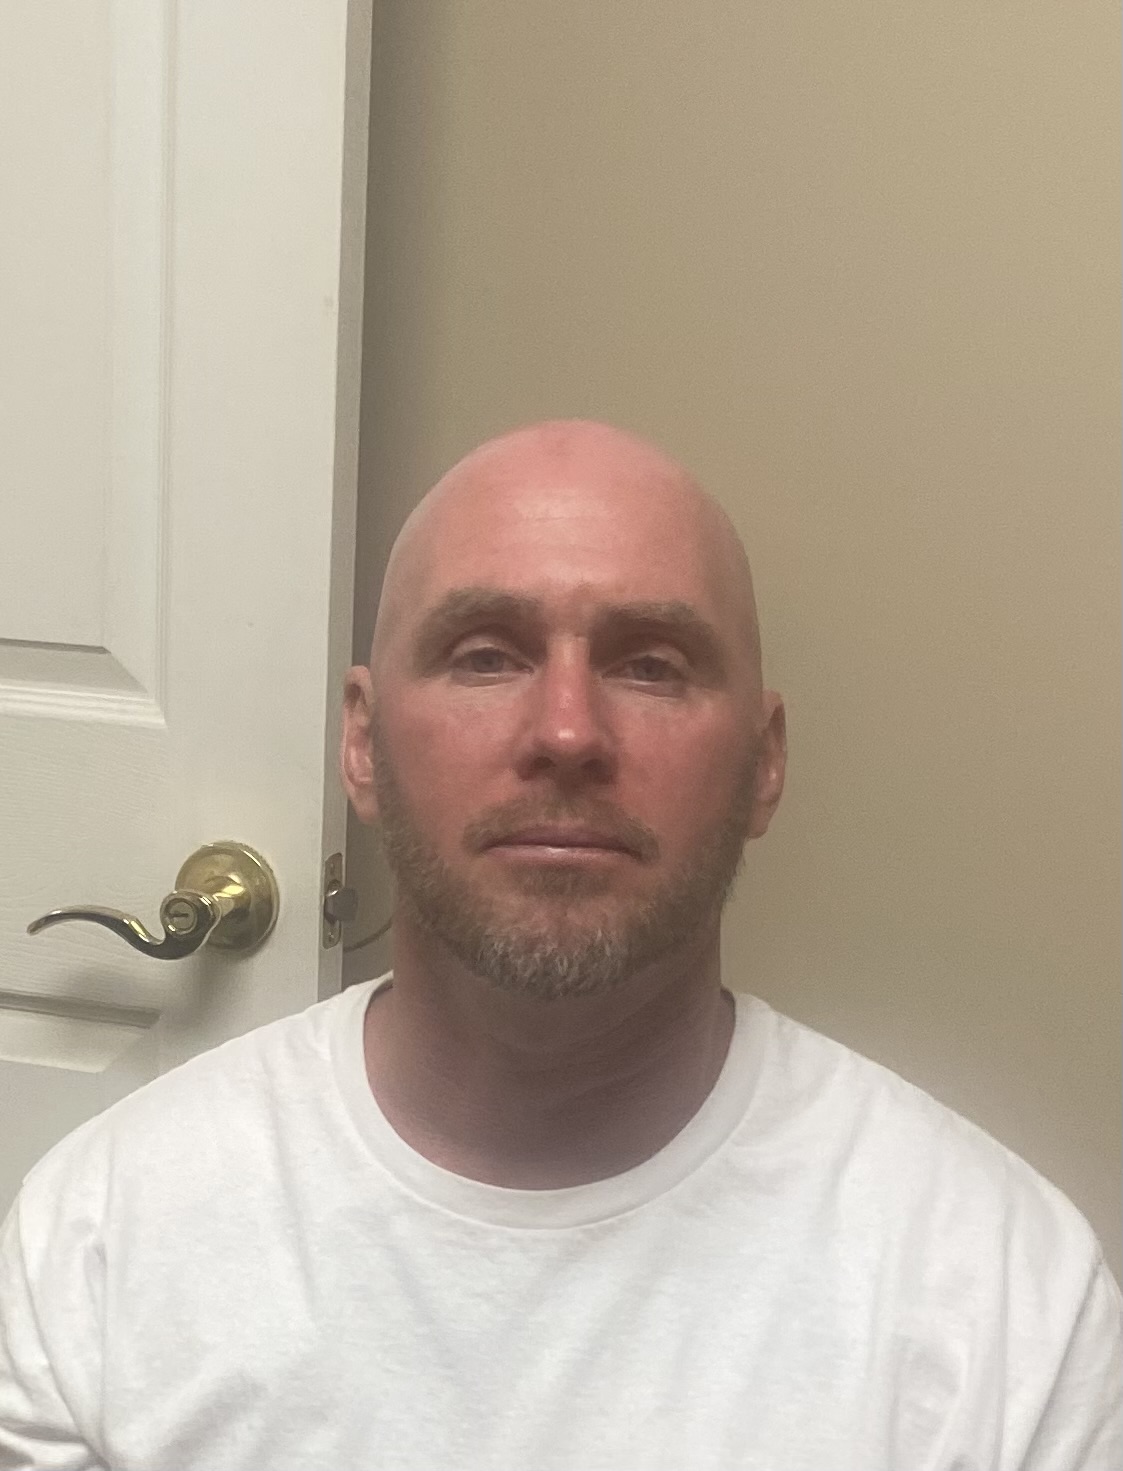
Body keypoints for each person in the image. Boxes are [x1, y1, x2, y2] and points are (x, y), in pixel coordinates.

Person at [0, 420, 1118, 1469]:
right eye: (486, 655)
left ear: (764, 762)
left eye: (651, 664)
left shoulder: (1002, 1305)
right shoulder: (99, 1246)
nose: (569, 731)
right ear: (363, 744)